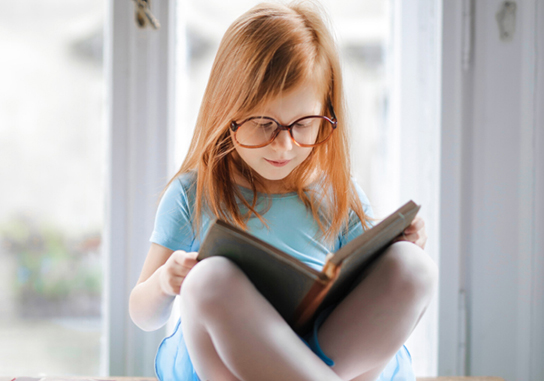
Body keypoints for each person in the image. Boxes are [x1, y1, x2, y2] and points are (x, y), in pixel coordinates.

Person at [129, 2, 438, 380]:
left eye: (304, 124)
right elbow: (143, 315)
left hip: (326, 351)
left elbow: (374, 284)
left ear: (326, 113)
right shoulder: (193, 193)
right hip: (227, 358)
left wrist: (404, 241)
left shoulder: (339, 191)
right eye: (263, 124)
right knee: (207, 281)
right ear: (227, 112)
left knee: (414, 266)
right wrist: (165, 282)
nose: (284, 146)